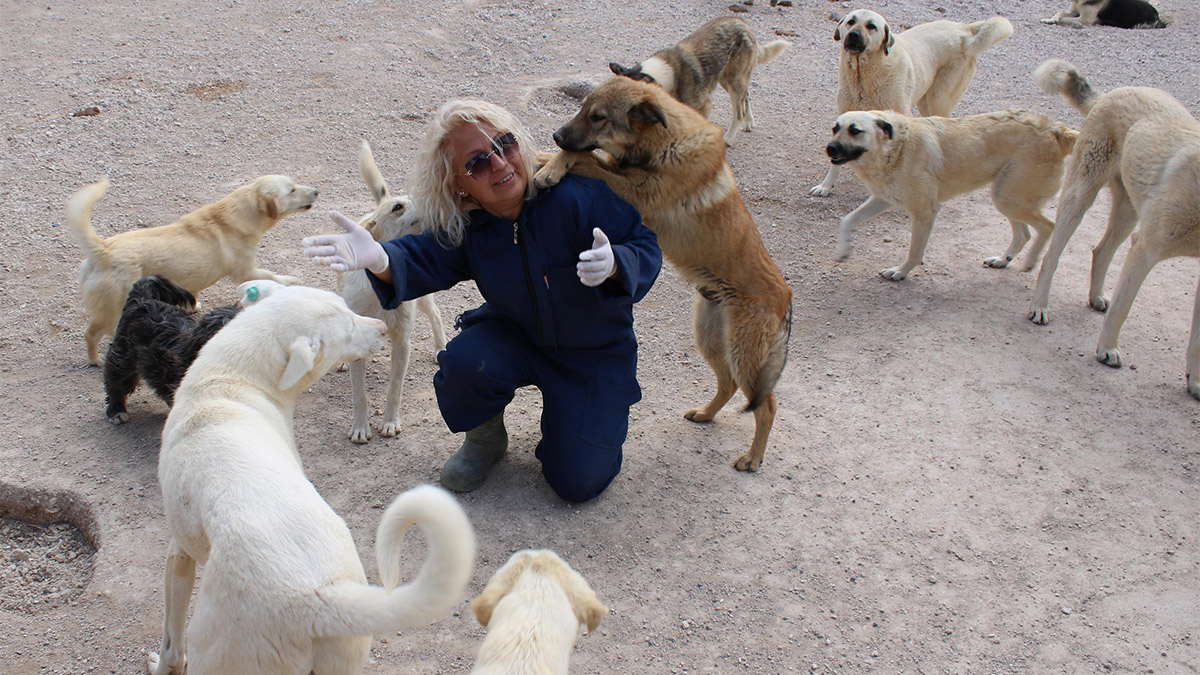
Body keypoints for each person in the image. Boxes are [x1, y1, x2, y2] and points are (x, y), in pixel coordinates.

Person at [303, 100, 662, 503]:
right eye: (477, 163)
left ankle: (578, 425)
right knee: (464, 362)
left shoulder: (580, 195)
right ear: (459, 184)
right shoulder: (471, 224)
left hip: (593, 353)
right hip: (518, 335)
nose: (500, 164)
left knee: (578, 481)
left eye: (505, 144)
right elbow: (425, 256)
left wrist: (617, 262)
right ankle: (486, 439)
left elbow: (644, 245)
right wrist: (381, 258)